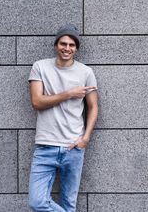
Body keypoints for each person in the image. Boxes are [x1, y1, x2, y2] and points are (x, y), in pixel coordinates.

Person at [28, 24, 98, 212]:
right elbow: (37, 102)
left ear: (76, 49)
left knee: (69, 203)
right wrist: (68, 94)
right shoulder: (40, 67)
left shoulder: (86, 72)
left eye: (72, 45)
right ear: (56, 44)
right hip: (45, 146)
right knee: (37, 202)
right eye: (63, 43)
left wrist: (85, 138)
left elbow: (93, 107)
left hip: (73, 147)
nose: (67, 48)